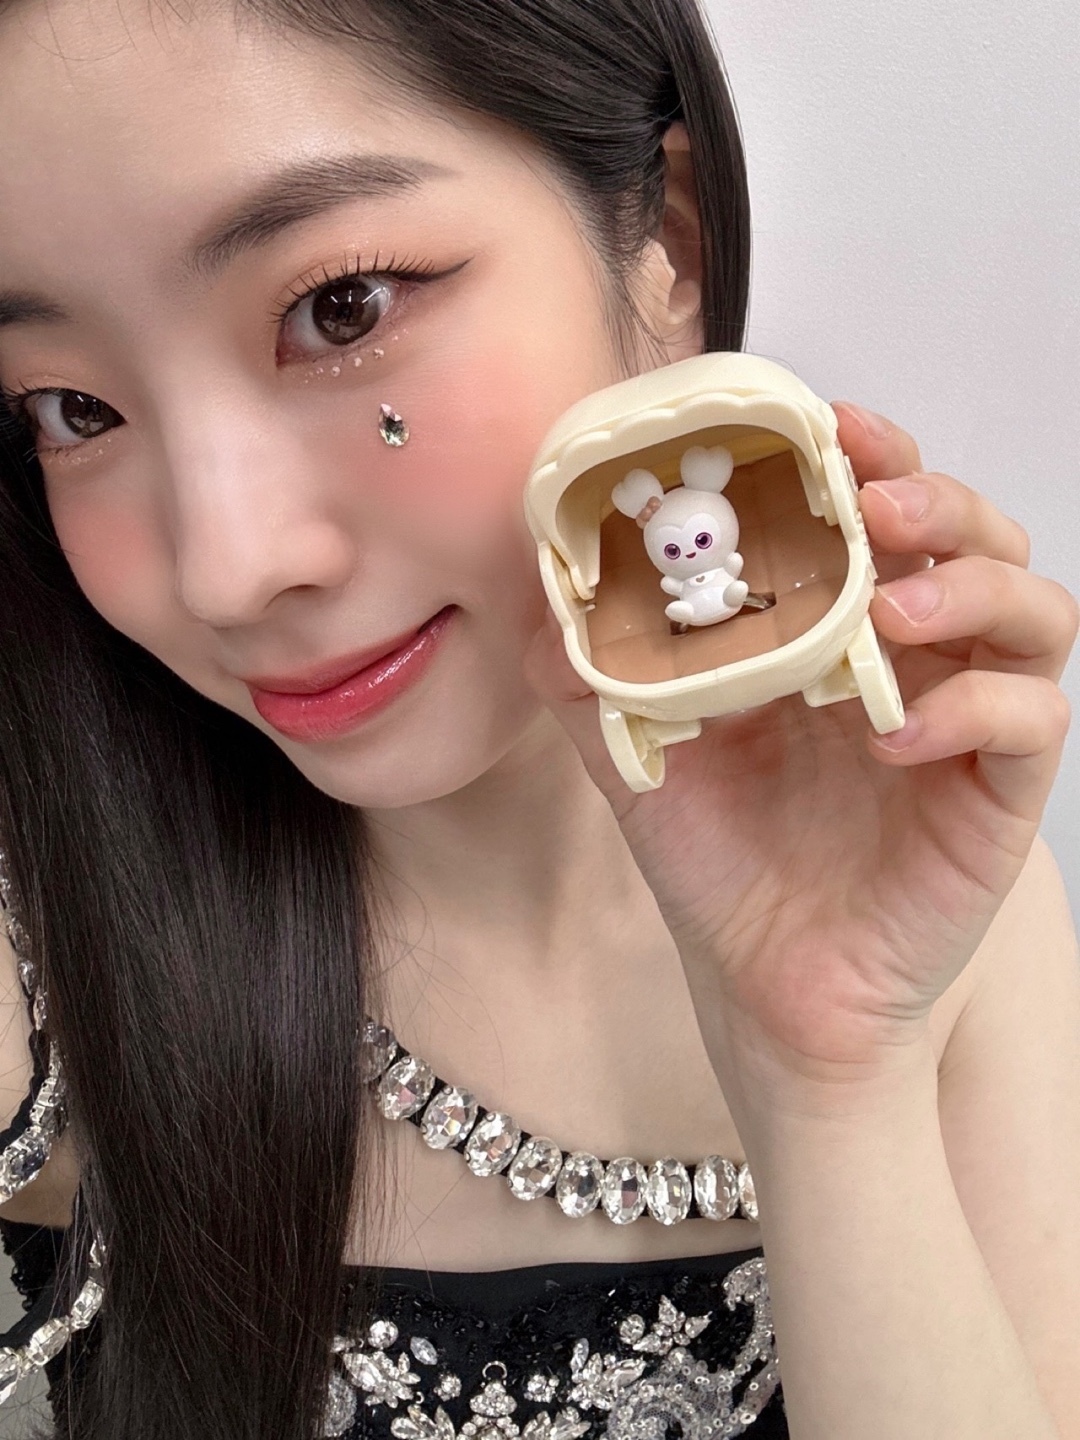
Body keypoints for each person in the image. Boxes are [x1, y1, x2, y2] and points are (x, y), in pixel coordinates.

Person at [0, 0, 1077, 1436]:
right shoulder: (38, 945)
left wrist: (830, 1080)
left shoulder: (941, 912)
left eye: (341, 310)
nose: (226, 569)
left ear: (672, 241)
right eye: (71, 409)